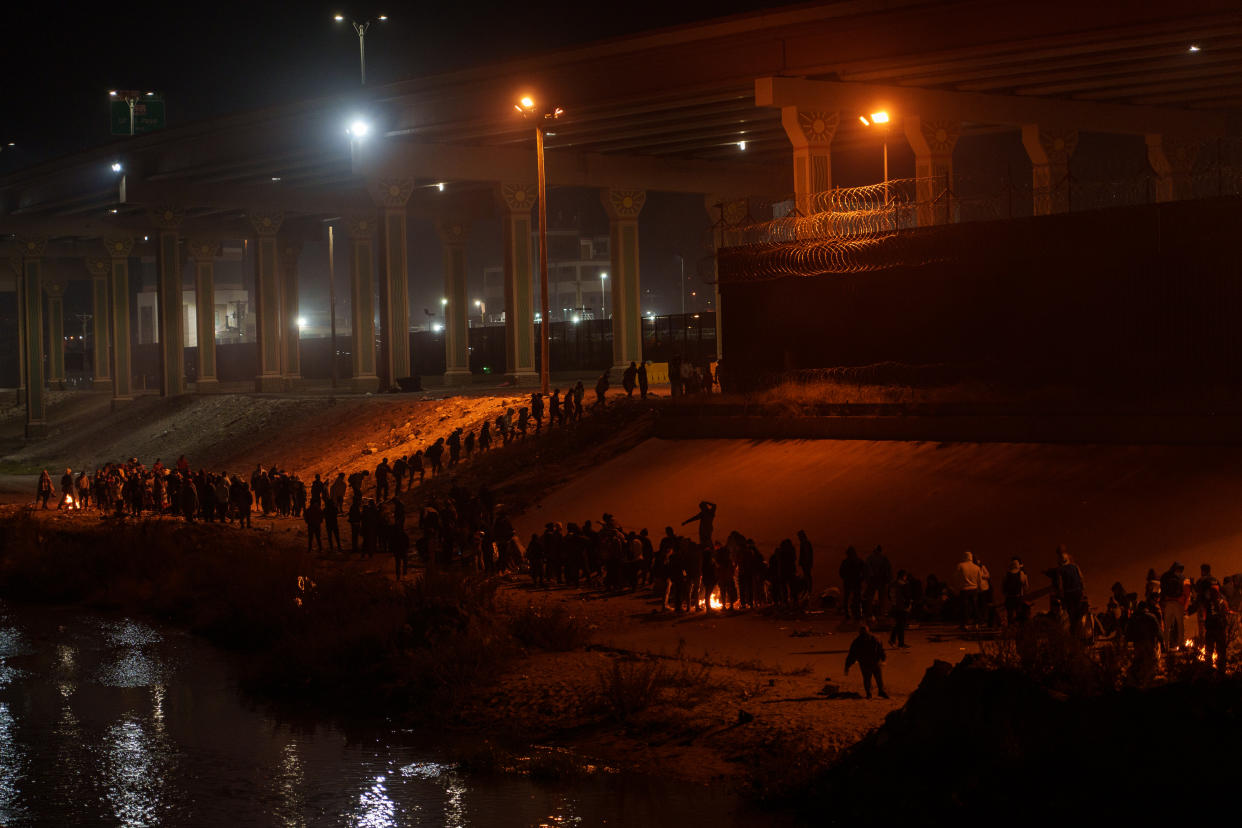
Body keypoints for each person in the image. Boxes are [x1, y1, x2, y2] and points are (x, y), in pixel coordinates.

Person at [844, 624, 888, 699]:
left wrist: (847, 666)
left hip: (866, 663)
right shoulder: (874, 639)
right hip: (872, 662)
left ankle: (870, 693)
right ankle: (878, 691)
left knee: (868, 678)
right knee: (877, 678)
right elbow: (881, 650)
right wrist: (883, 659)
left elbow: (852, 655)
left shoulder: (858, 641)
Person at [1055, 545, 1086, 639]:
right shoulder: (1075, 566)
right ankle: (1080, 632)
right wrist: (1082, 590)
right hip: (1078, 592)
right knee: (1078, 614)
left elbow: (1060, 585)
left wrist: (1061, 595)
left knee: (1071, 616)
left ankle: (1074, 635)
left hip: (1069, 595)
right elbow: (1081, 578)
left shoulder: (1060, 570)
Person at [1160, 562, 1188, 652]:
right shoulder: (1183, 578)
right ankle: (1181, 645)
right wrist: (1185, 606)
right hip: (1178, 603)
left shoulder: (1165, 577)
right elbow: (1186, 592)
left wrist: (1162, 602)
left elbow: (1162, 590)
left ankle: (1165, 646)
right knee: (1180, 625)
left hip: (1168, 603)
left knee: (1167, 626)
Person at [954, 551, 982, 628]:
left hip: (964, 589)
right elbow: (980, 580)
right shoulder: (977, 567)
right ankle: (976, 623)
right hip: (974, 589)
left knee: (964, 607)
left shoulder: (960, 565)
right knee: (975, 606)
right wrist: (979, 588)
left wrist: (957, 587)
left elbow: (956, 577)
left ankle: (965, 623)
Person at [839, 546, 866, 620]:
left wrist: (845, 578)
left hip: (848, 582)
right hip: (856, 582)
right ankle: (857, 614)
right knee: (857, 599)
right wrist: (861, 579)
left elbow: (841, 572)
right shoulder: (859, 561)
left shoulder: (845, 562)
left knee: (847, 598)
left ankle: (847, 613)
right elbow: (864, 571)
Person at [1002, 558, 1030, 625]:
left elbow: (1003, 587)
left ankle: (1010, 628)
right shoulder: (1021, 574)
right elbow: (1026, 587)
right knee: (1018, 614)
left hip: (1009, 598)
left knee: (1009, 615)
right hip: (1018, 598)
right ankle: (1018, 629)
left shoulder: (1006, 574)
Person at [889, 570, 912, 648]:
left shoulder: (893, 585)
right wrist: (908, 604)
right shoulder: (903, 585)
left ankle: (893, 639)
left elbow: (889, 595)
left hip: (894, 606)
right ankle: (900, 642)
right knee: (901, 625)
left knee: (898, 624)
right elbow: (907, 596)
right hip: (901, 607)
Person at [797, 530, 814, 594]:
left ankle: (808, 589)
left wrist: (805, 562)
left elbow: (807, 554)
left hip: (806, 563)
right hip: (806, 563)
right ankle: (807, 589)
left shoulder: (805, 543)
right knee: (807, 576)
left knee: (807, 576)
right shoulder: (805, 543)